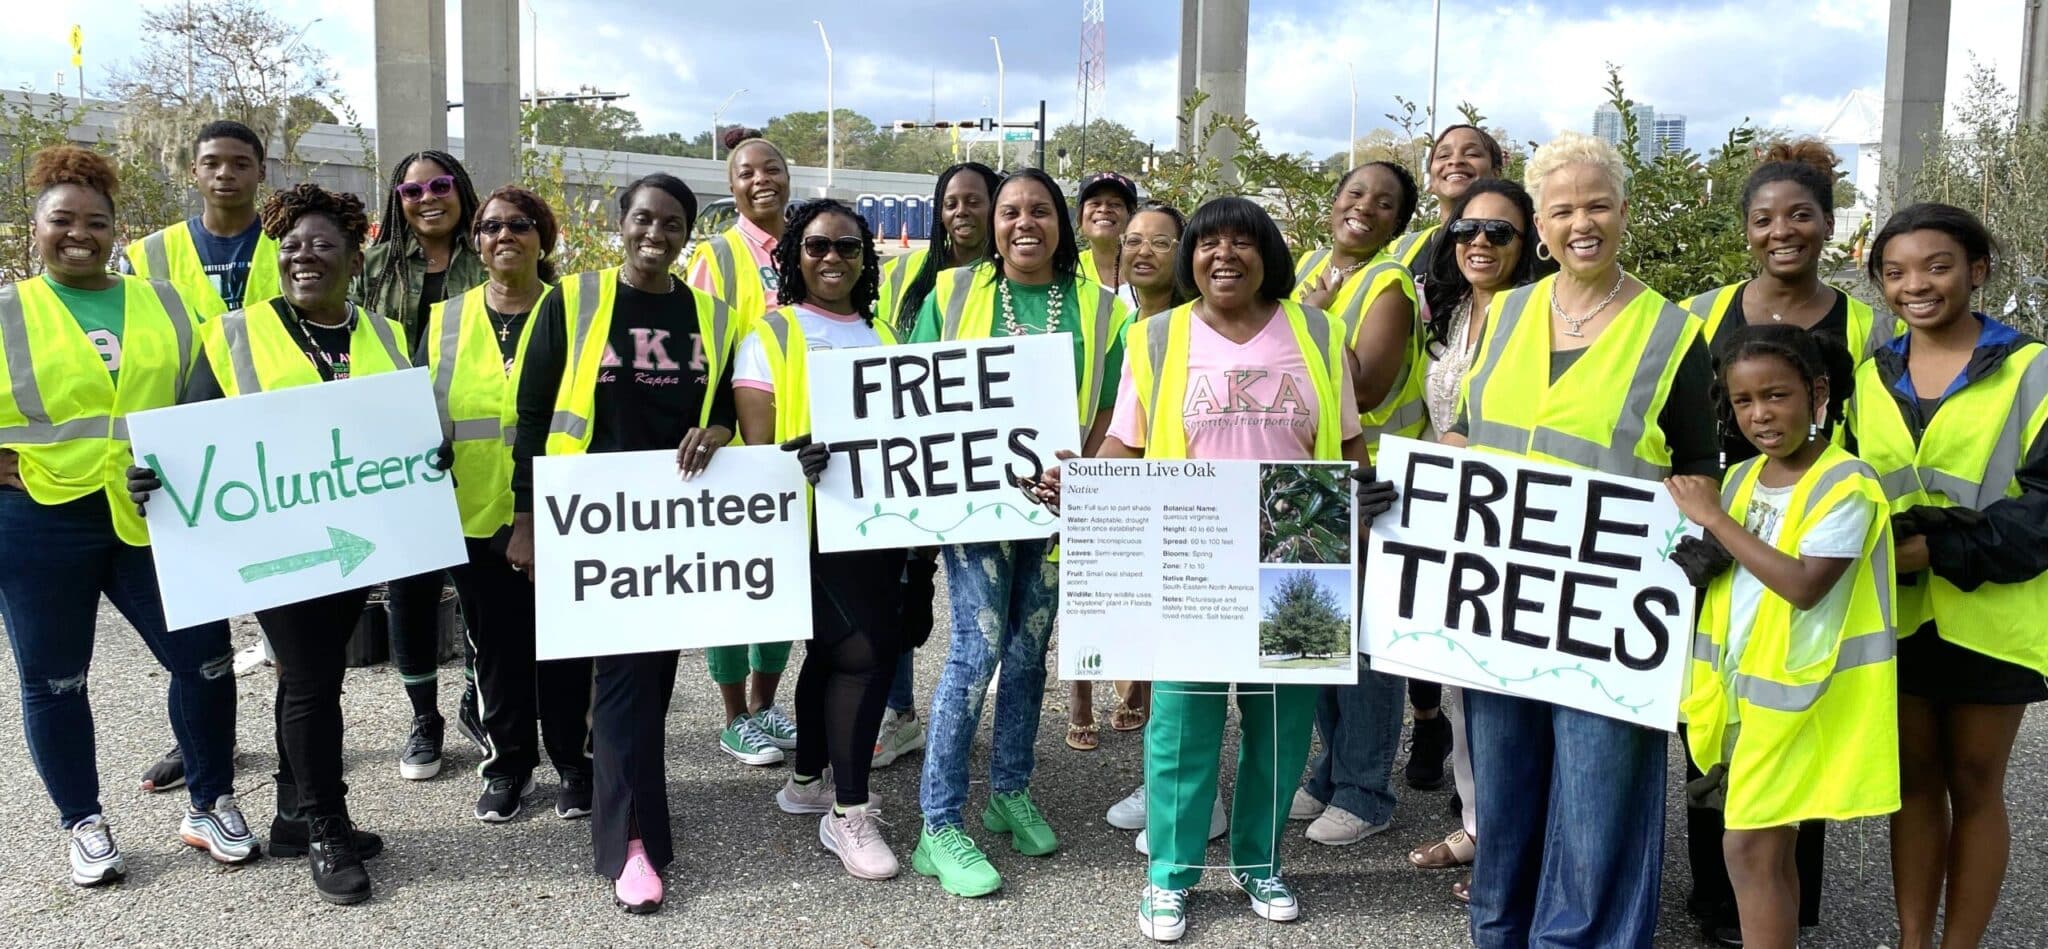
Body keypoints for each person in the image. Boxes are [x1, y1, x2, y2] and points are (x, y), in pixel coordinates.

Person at [1075, 195, 1388, 940]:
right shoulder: (1156, 337)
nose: (1224, 254)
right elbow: (1124, 445)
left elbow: (1347, 446)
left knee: (1280, 725)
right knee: (1183, 720)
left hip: (1300, 557)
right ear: (1191, 256)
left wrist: (1365, 507)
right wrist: (1081, 485)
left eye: (1242, 242)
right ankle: (1170, 877)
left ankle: (1259, 862)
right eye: (1208, 241)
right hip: (1194, 559)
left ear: (1267, 253)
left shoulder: (1318, 330)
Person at [1442, 131, 1717, 948]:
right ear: (1541, 223)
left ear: (1624, 213)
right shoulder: (1509, 311)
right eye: (1562, 209)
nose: (1581, 222)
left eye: (1597, 204)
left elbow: (1701, 464)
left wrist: (1698, 546)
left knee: (1601, 803)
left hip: (1614, 606)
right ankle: (1500, 933)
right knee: (1508, 786)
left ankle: (1581, 939)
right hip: (1504, 604)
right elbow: (1471, 431)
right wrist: (1423, 479)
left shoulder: (1670, 332)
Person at [131, 182, 426, 905]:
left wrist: (429, 454)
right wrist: (155, 476)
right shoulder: (234, 332)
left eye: (323, 244)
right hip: (274, 543)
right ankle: (325, 823)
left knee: (308, 677)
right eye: (292, 245)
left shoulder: (383, 333)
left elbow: (400, 427)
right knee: (312, 674)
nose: (304, 256)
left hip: (356, 537)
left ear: (355, 259)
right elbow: (190, 436)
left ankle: (296, 814)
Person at [2, 146, 252, 888]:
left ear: (116, 231)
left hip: (155, 513)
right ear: (36, 225)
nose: (80, 233)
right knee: (55, 681)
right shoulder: (9, 311)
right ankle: (82, 819)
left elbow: (215, 388)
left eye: (96, 222)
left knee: (206, 660)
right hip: (41, 518)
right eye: (62, 220)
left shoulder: (168, 302)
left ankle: (209, 801)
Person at [506, 173, 740, 914]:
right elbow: (534, 412)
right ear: (621, 222)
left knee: (647, 683)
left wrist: (722, 429)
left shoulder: (715, 316)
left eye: (672, 223)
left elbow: (732, 405)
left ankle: (629, 812)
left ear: (687, 232)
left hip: (673, 529)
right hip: (589, 523)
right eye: (644, 218)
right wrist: (526, 518)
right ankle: (631, 841)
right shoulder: (571, 300)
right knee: (622, 684)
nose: (656, 233)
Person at [1674, 138, 1889, 944]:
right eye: (1763, 218)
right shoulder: (1700, 313)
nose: (1782, 231)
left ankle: (1778, 916)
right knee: (1714, 748)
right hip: (1727, 536)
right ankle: (1718, 908)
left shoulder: (1864, 325)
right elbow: (1676, 422)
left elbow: (1874, 443)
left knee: (1782, 797)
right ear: (1745, 229)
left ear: (1829, 224)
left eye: (1800, 215)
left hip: (1797, 539)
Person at [905, 167, 1131, 897]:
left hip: (1062, 504)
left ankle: (1009, 789)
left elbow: (1109, 409)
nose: (1023, 223)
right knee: (975, 650)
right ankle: (938, 825)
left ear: (1062, 223)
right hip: (974, 507)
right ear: (992, 224)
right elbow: (913, 393)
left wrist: (1085, 474)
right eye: (1009, 212)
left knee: (1033, 646)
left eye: (1040, 210)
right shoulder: (952, 293)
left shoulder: (1103, 309)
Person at [1847, 203, 2048, 949]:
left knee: (1975, 782)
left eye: (1937, 266)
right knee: (1913, 782)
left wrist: (1934, 550)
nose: (1916, 285)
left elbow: (2044, 512)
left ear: (1977, 271)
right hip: (1897, 613)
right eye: (1895, 272)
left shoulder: (2034, 370)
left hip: (1994, 615)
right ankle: (1910, 941)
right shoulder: (1874, 374)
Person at [735, 199, 909, 880]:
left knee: (834, 654)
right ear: (793, 256)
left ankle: (807, 779)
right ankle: (849, 810)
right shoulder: (771, 334)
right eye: (816, 246)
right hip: (802, 526)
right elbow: (756, 443)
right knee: (864, 654)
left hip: (875, 523)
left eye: (847, 246)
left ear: (865, 258)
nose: (832, 257)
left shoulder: (885, 334)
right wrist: (788, 456)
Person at [420, 185, 593, 824]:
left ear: (542, 239)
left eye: (520, 225)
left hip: (561, 513)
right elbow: (417, 421)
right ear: (476, 241)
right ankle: (509, 766)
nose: (505, 236)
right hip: (471, 515)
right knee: (496, 651)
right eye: (492, 226)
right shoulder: (446, 321)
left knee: (567, 648)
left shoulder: (574, 312)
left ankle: (575, 763)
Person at [117, 119, 274, 795]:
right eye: (213, 162)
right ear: (193, 171)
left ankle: (302, 744)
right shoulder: (149, 255)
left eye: (240, 163)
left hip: (276, 450)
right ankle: (205, 742)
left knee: (283, 605)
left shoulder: (290, 242)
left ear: (259, 172)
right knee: (196, 613)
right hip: (184, 454)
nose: (226, 174)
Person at [1403, 177, 1542, 902]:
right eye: (1466, 231)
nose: (1479, 243)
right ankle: (1479, 822)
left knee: (1511, 688)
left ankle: (1516, 845)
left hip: (1515, 521)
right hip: (1448, 511)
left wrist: (1468, 443)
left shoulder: (1542, 317)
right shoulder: (1451, 312)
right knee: (1458, 678)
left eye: (1499, 232)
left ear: (1530, 243)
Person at [1288, 161, 1420, 847]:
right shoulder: (1311, 262)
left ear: (1399, 221)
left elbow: (1364, 389)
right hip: (1313, 479)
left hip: (1370, 483)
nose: (1365, 207)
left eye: (1385, 202)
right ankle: (1331, 769)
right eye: (1355, 193)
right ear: (1333, 201)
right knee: (1318, 633)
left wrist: (1308, 316)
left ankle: (1367, 791)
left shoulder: (1388, 283)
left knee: (1364, 648)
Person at [1386, 124, 1511, 799]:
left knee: (1485, 657)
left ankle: (1488, 812)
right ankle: (1444, 748)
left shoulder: (1529, 293)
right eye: (1443, 156)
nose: (1479, 245)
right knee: (1430, 631)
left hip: (1496, 490)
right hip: (1421, 469)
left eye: (1473, 155)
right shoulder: (1411, 258)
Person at [357, 148, 488, 782]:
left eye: (440, 185)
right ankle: (423, 717)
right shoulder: (373, 267)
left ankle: (475, 698)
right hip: (395, 449)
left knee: (476, 585)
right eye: (412, 191)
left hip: (470, 444)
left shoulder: (490, 256)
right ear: (398, 201)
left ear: (461, 191)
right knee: (408, 589)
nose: (427, 198)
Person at [872, 160, 1002, 772]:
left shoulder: (1010, 282)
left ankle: (962, 714)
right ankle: (899, 713)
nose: (961, 212)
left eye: (974, 201)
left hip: (985, 465)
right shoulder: (907, 277)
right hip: (916, 460)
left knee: (976, 609)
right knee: (899, 591)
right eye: (950, 202)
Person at [685, 137, 798, 765]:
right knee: (731, 585)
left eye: (772, 169)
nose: (761, 181)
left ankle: (765, 704)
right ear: (731, 187)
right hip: (730, 440)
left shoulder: (809, 244)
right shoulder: (718, 258)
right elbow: (700, 356)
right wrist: (719, 427)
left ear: (789, 177)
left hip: (796, 441)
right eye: (745, 173)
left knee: (782, 581)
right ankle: (733, 717)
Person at [1096, 201, 1188, 837]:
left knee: (1186, 668)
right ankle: (1171, 785)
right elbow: (1124, 434)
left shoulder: (1187, 326)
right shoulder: (1135, 327)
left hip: (1188, 513)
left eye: (1160, 240)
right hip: (1142, 508)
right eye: (1133, 241)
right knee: (1158, 658)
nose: (1143, 251)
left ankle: (1187, 798)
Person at [1389, 123, 1506, 271]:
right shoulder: (1398, 250)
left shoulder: (1519, 244)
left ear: (1496, 174)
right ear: (1430, 182)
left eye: (1472, 154)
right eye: (1444, 156)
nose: (1455, 161)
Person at [1074, 171, 1137, 291]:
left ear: (1131, 216)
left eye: (1115, 204)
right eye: (1095, 203)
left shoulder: (1148, 268)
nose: (1104, 209)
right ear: (1080, 216)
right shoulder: (1067, 273)